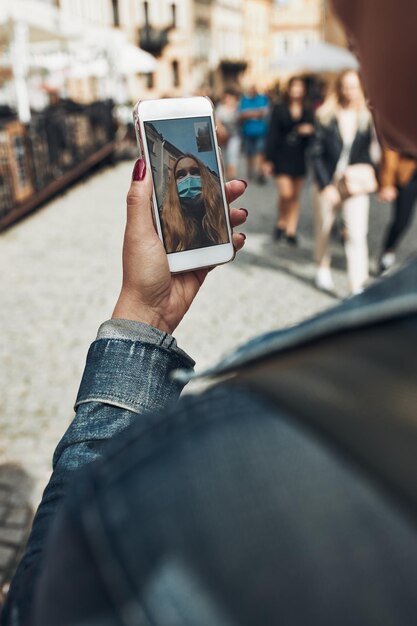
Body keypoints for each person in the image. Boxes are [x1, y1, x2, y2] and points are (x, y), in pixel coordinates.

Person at [3, 1, 417, 624]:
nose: (341, 9)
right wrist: (149, 309)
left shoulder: (197, 482)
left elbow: (41, 610)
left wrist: (137, 325)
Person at [312, 69, 376, 295]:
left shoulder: (367, 117)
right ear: (339, 88)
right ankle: (322, 267)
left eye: (354, 86)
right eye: (346, 86)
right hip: (329, 180)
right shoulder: (326, 115)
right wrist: (325, 185)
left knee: (357, 234)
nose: (350, 90)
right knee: (325, 229)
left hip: (354, 182)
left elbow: (368, 154)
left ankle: (357, 285)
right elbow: (316, 153)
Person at [265, 77, 315, 245]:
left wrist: (309, 131)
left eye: (300, 87)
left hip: (299, 155)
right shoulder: (279, 108)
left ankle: (291, 230)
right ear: (289, 89)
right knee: (285, 194)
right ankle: (281, 221)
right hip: (281, 155)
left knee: (295, 196)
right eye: (294, 87)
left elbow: (315, 133)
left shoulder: (308, 109)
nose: (297, 90)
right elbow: (272, 134)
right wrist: (268, 159)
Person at [162, 154, 228, 253]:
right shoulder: (164, 221)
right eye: (181, 175)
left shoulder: (219, 214)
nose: (189, 178)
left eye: (195, 172)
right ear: (173, 184)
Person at [378, 147, 417, 272]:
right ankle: (388, 252)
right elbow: (391, 147)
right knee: (402, 221)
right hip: (407, 174)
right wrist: (387, 182)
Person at [239, 85, 269, 184]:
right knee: (249, 154)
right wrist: (256, 113)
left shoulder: (263, 98)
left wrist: (249, 113)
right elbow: (241, 114)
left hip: (260, 132)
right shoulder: (244, 100)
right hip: (248, 132)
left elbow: (264, 113)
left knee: (260, 153)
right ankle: (250, 172)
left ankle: (260, 173)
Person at [215, 89, 242, 181]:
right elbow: (217, 121)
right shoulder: (221, 108)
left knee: (233, 156)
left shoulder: (238, 107)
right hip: (223, 138)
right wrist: (222, 130)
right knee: (224, 157)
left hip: (235, 136)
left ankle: (232, 177)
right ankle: (227, 177)